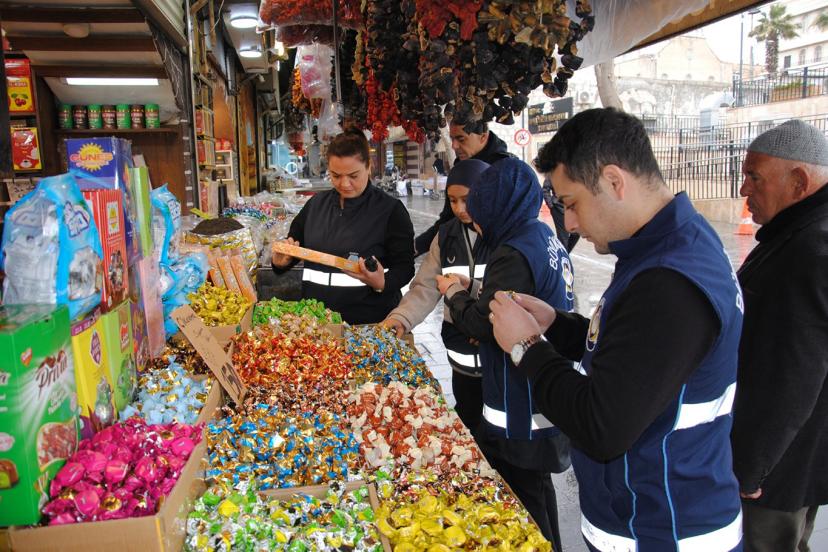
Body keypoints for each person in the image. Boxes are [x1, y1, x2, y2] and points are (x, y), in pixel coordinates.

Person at [487, 108, 744, 552]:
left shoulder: (669, 280)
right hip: (642, 519)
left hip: (664, 531)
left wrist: (526, 347)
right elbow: (635, 354)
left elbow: (599, 426)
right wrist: (557, 325)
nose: (569, 223)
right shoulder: (670, 243)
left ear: (613, 181)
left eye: (571, 204)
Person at [435, 158, 574, 551]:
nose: (476, 224)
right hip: (539, 400)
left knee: (526, 503)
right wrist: (476, 288)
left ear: (498, 208)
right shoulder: (541, 235)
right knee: (538, 492)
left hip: (521, 407)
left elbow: (484, 324)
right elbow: (514, 297)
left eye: (480, 214)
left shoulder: (512, 251)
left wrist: (454, 294)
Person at [730, 120, 828, 552]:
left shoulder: (810, 250)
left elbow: (794, 374)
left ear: (799, 182)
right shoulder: (797, 233)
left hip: (778, 469)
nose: (744, 190)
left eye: (754, 177)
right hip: (787, 458)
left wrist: (751, 467)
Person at [381, 159, 491, 432]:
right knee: (467, 418)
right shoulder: (446, 236)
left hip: (497, 357)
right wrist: (401, 318)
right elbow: (426, 287)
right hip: (461, 355)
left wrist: (487, 323)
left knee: (496, 428)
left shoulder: (503, 234)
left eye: (467, 200)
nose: (460, 209)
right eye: (453, 201)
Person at [271, 128, 415, 324]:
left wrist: (382, 283)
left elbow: (405, 268)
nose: (344, 184)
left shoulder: (390, 211)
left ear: (369, 167)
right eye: (336, 175)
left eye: (353, 175)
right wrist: (281, 262)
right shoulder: (315, 205)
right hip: (317, 323)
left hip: (369, 324)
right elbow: (293, 248)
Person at [414, 120, 514, 256]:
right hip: (462, 253)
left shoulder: (509, 170)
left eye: (461, 139)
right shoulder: (459, 167)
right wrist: (417, 246)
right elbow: (448, 218)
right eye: (452, 139)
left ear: (483, 137)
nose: (454, 146)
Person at [543, 176, 580, 252]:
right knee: (563, 237)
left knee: (576, 233)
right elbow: (545, 189)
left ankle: (564, 254)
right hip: (558, 209)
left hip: (573, 209)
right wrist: (551, 205)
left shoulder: (575, 171)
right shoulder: (554, 171)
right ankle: (563, 255)